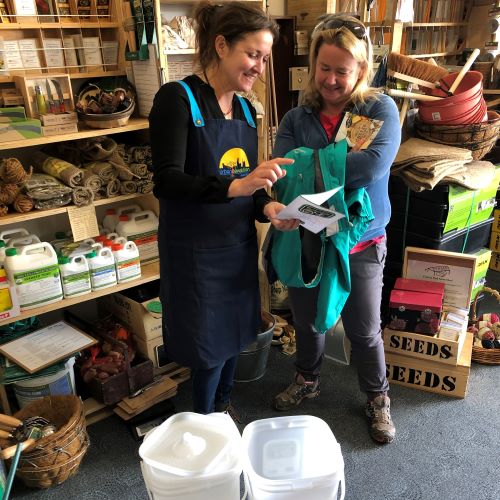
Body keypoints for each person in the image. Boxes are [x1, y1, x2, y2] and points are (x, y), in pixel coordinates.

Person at [149, 1, 297, 417]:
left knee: (237, 334)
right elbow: (167, 181)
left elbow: (248, 189)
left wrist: (268, 207)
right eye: (252, 54)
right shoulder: (177, 99)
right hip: (195, 252)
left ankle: (224, 404)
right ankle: (204, 421)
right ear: (220, 45)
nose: (260, 68)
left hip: (236, 246)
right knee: (208, 346)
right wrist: (240, 185)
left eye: (265, 58)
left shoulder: (249, 111)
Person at [271, 13, 401, 444]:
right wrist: (320, 168)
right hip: (309, 233)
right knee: (307, 322)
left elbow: (371, 168)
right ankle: (308, 378)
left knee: (363, 328)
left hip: (360, 240)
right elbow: (287, 173)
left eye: (341, 71)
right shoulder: (296, 117)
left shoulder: (379, 109)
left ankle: (378, 398)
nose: (330, 79)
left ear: (360, 69)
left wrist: (313, 165)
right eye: (323, 68)